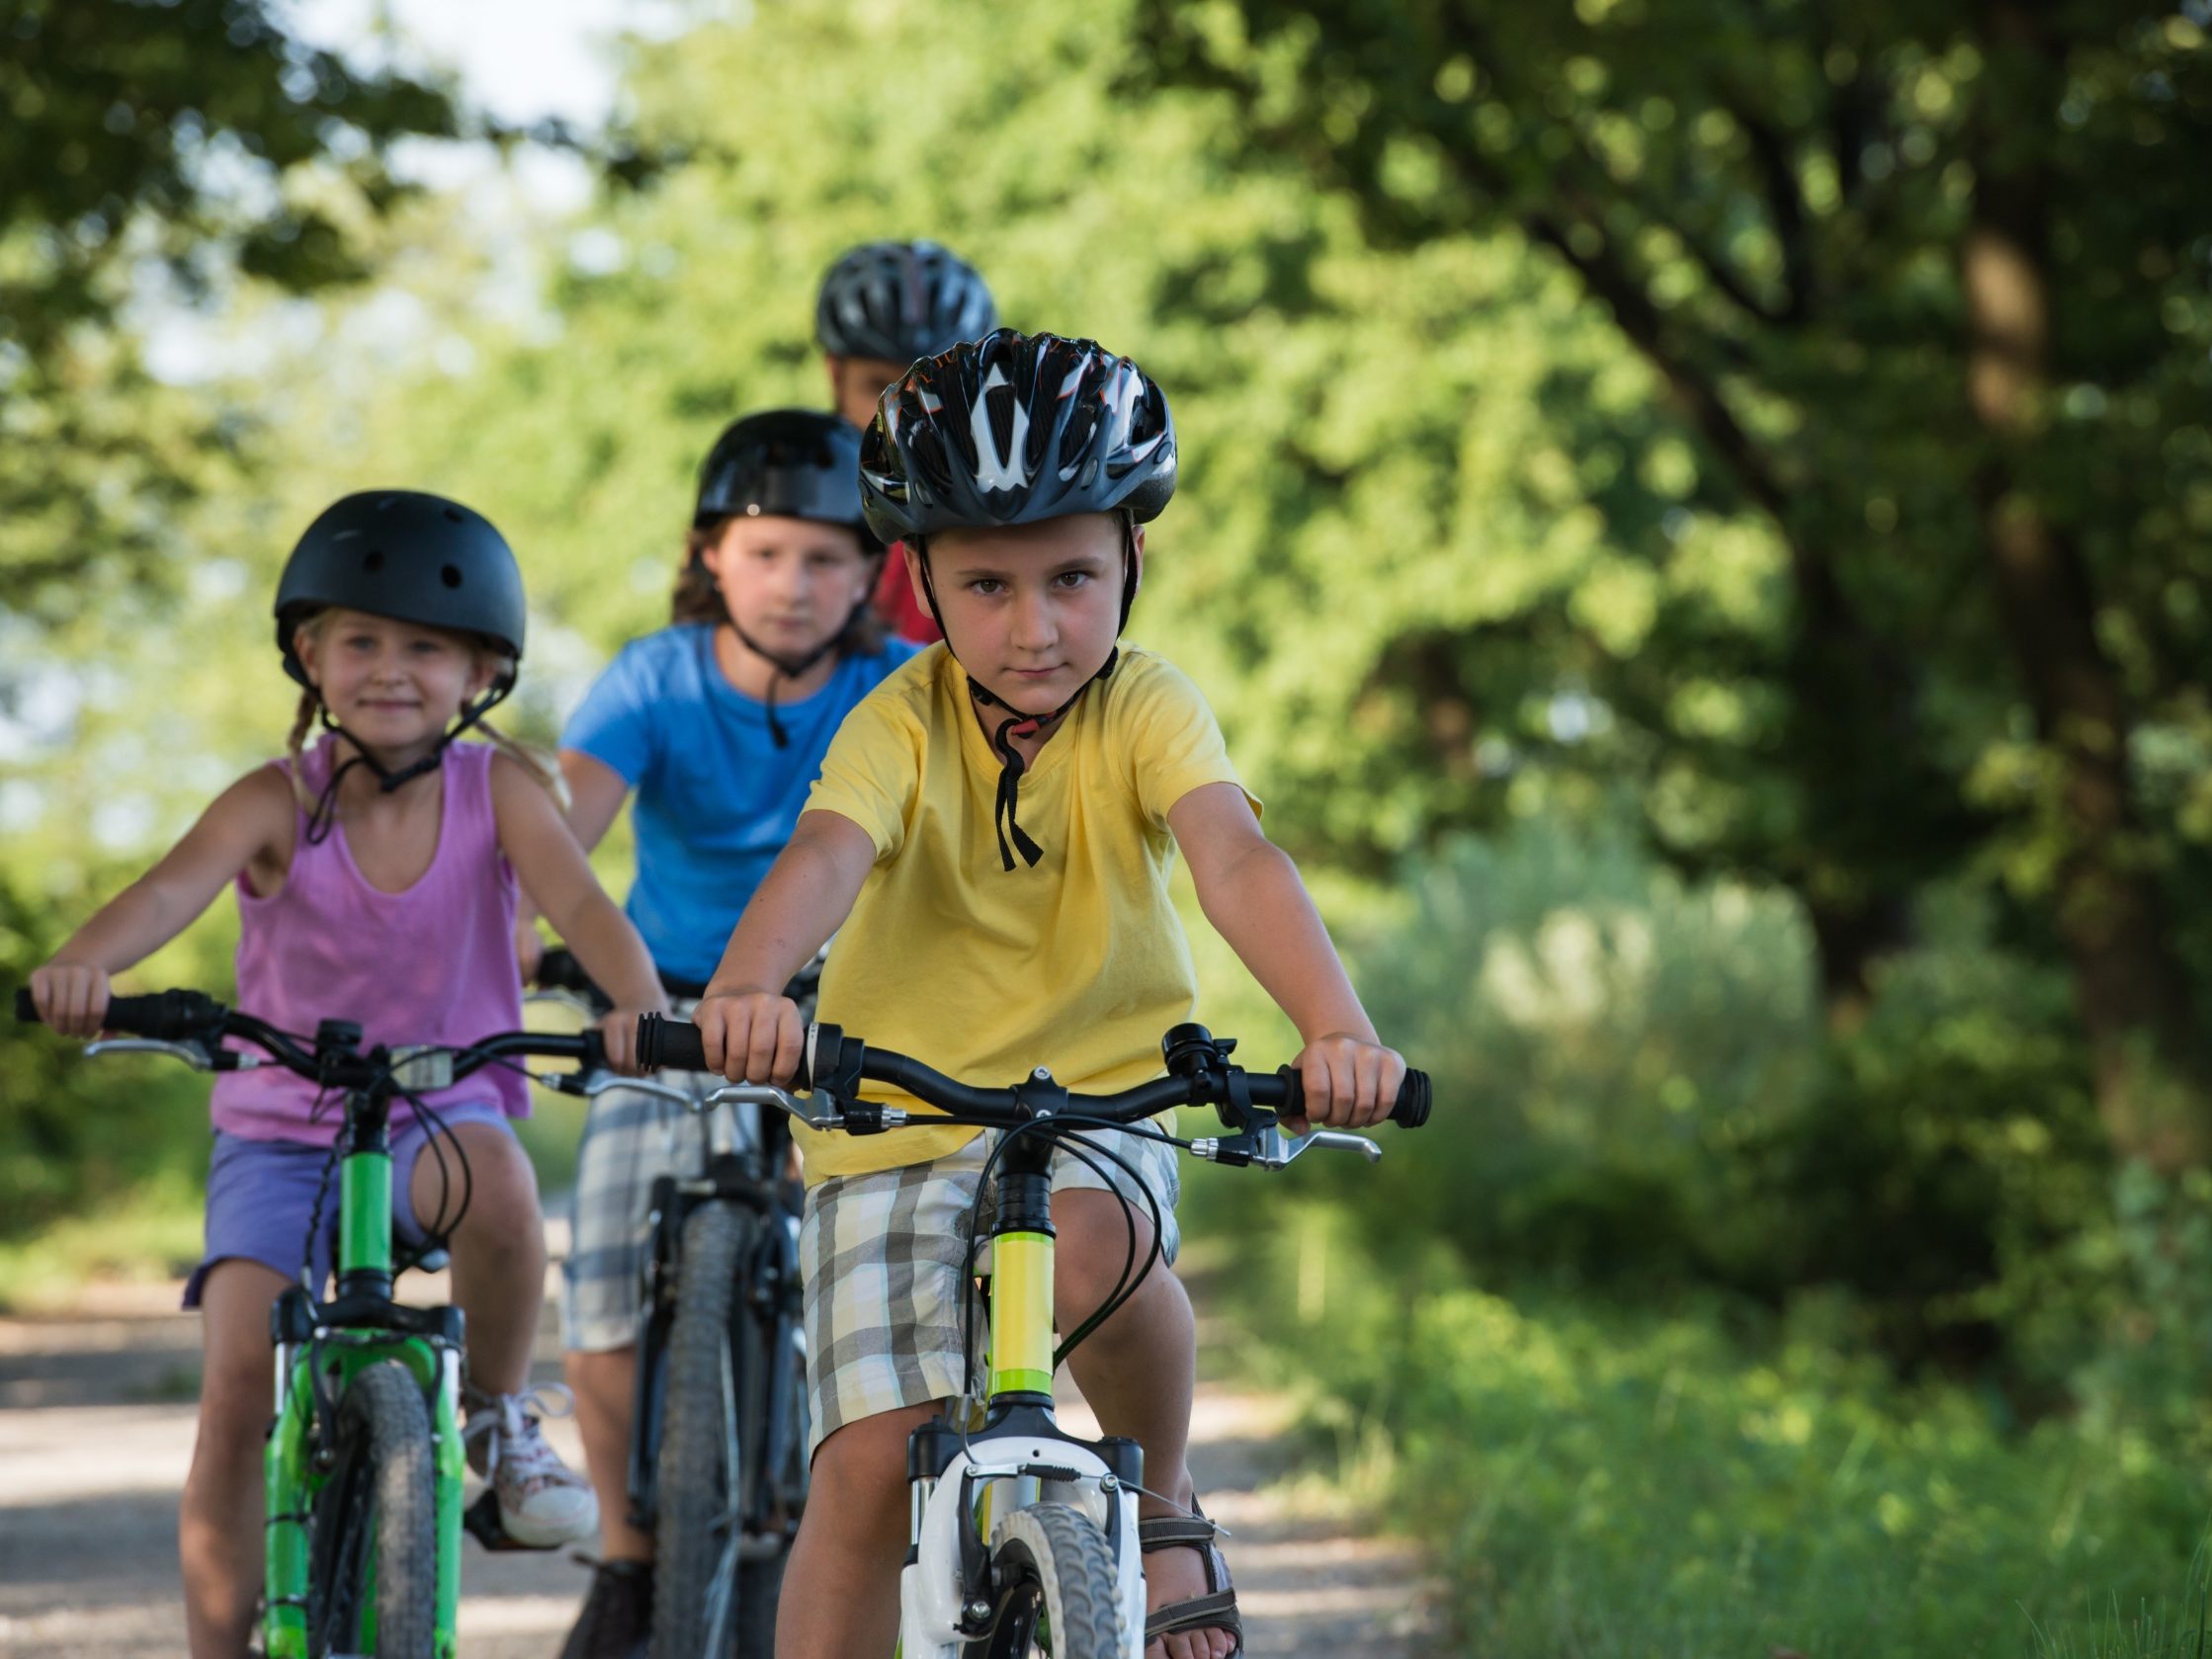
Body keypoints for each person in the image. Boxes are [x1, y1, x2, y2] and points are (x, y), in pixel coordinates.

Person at [688, 329, 1408, 1659]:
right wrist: (746, 992)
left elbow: (1235, 858)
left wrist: (1335, 1025)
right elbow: (826, 853)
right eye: (989, 585)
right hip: (891, 1119)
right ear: (922, 584)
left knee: (1096, 1244)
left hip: (1097, 1094)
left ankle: (1164, 1489)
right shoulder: (897, 720)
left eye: (1073, 577)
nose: (1035, 627)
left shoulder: (1149, 706)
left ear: (1134, 557)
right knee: (862, 1470)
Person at [27, 490, 667, 1659]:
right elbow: (171, 889)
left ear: (480, 670)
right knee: (231, 1386)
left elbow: (580, 901)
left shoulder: (502, 794)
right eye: (360, 639)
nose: (390, 667)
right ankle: (222, 1639)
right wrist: (80, 965)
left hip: (439, 1112)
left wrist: (646, 1012)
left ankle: (495, 1417)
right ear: (308, 655)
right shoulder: (276, 798)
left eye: (425, 644)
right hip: (281, 1132)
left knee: (510, 1197)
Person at [536, 410, 918, 1659]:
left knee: (889, 1255)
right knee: (599, 1252)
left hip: (846, 1011)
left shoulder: (898, 685)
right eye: (765, 554)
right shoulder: (654, 675)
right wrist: (519, 948)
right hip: (671, 1007)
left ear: (870, 570)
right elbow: (556, 839)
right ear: (712, 554)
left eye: (825, 558)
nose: (795, 584)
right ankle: (632, 1558)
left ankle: (859, 1504)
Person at [814, 238, 998, 644]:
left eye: (932, 388)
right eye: (879, 386)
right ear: (835, 375)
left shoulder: (1007, 505)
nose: (904, 416)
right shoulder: (785, 499)